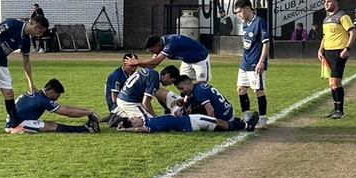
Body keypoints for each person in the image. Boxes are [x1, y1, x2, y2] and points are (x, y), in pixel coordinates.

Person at [0, 14, 50, 133]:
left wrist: (31, 83)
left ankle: (14, 126)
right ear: (35, 27)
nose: (39, 35)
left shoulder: (26, 40)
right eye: (40, 31)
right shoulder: (13, 24)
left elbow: (26, 62)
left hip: (2, 62)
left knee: (9, 93)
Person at [4, 79, 100, 134]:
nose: (56, 99)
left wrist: (87, 110)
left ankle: (86, 128)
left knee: (49, 124)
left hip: (15, 120)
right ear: (51, 91)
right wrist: (89, 112)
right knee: (51, 126)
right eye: (57, 96)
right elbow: (67, 112)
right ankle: (85, 129)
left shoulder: (39, 95)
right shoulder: (42, 100)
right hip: (16, 124)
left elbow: (65, 108)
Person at [318, 0, 356, 119]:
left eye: (329, 1)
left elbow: (352, 32)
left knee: (336, 81)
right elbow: (325, 36)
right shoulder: (326, 19)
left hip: (338, 52)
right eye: (325, 2)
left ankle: (340, 110)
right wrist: (320, 49)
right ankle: (335, 109)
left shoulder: (343, 16)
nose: (326, 4)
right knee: (331, 82)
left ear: (336, 3)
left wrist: (347, 48)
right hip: (327, 52)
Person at [234, 0, 271, 129]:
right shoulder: (244, 24)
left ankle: (263, 119)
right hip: (245, 62)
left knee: (258, 91)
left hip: (256, 63)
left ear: (247, 9)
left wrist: (261, 62)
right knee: (240, 89)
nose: (239, 15)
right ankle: (247, 117)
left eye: (239, 12)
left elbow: (266, 43)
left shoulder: (259, 22)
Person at [173, 75, 258, 131]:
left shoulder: (198, 92)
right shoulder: (198, 87)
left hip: (224, 116)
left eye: (181, 88)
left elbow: (210, 111)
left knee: (211, 122)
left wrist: (210, 124)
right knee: (192, 109)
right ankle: (238, 121)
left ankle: (245, 125)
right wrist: (183, 103)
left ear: (189, 83)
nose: (181, 91)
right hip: (228, 110)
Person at [113, 65, 181, 122]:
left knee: (149, 117)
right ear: (167, 76)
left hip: (124, 98)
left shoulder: (151, 72)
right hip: (129, 102)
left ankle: (124, 115)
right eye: (172, 81)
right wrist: (154, 116)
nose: (170, 84)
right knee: (149, 122)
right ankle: (123, 118)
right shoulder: (154, 79)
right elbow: (145, 102)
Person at [135, 34, 211, 82]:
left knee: (202, 84)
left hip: (200, 59)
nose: (154, 53)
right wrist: (136, 65)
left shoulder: (170, 43)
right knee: (182, 83)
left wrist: (136, 62)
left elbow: (155, 62)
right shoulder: (161, 44)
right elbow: (153, 64)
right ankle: (186, 104)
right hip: (186, 61)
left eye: (153, 51)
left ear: (158, 44)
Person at [110, 109, 258, 133]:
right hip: (189, 122)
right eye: (133, 119)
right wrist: (126, 129)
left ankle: (244, 124)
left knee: (217, 124)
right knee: (218, 122)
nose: (136, 117)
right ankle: (247, 125)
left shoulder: (148, 121)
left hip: (187, 121)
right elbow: (138, 130)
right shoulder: (148, 126)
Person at [103, 53, 139, 122]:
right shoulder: (116, 75)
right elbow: (114, 98)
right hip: (116, 105)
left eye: (135, 65)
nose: (133, 68)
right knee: (136, 119)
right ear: (124, 64)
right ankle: (115, 117)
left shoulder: (130, 74)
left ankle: (114, 116)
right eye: (131, 66)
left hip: (125, 101)